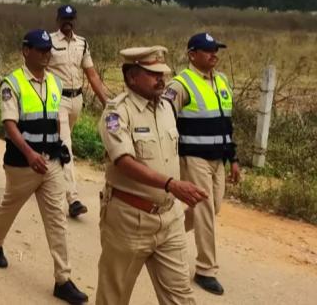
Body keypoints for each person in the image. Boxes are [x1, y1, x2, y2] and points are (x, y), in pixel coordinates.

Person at [96, 46, 209, 305]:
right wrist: (171, 184)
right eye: (153, 74)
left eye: (163, 73)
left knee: (181, 297)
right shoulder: (117, 113)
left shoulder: (167, 107)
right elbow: (124, 162)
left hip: (169, 217)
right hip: (130, 219)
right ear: (132, 76)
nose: (161, 79)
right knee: (114, 295)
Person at [0, 29, 88, 305]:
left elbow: (56, 118)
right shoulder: (12, 83)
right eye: (41, 50)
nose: (46, 55)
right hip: (22, 163)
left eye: (48, 50)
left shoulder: (55, 82)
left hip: (50, 162)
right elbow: (9, 124)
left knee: (57, 220)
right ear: (25, 50)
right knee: (9, 207)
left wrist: (60, 147)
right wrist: (30, 154)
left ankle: (63, 280)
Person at [163, 33, 240, 296]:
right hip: (193, 156)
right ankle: (206, 269)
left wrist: (233, 159)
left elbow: (226, 123)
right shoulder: (180, 84)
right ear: (192, 54)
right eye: (208, 50)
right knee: (204, 208)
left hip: (218, 158)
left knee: (211, 207)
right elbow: (164, 118)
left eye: (216, 50)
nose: (214, 55)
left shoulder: (221, 81)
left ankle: (164, 231)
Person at [48, 4, 111, 219]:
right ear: (58, 20)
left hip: (76, 100)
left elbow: (92, 75)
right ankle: (73, 199)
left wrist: (106, 102)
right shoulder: (49, 42)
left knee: (59, 146)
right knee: (66, 145)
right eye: (64, 19)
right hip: (57, 100)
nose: (68, 23)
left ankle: (45, 176)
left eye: (71, 19)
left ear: (75, 20)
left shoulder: (82, 43)